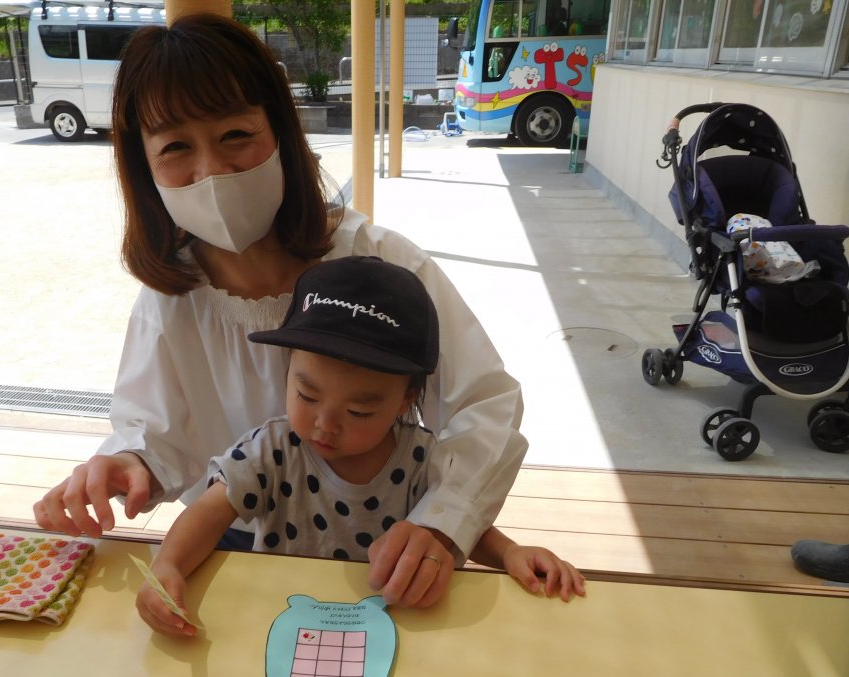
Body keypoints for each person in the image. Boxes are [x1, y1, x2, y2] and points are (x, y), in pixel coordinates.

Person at [32, 13, 529, 609]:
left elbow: (483, 401)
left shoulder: (380, 262)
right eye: (175, 147)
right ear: (144, 167)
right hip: (228, 549)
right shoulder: (170, 299)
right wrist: (126, 462)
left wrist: (444, 520)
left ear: (281, 131)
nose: (212, 172)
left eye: (236, 135)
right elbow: (155, 431)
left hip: (377, 549)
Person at [137, 257, 585, 637]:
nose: (325, 424)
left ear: (407, 399)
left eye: (359, 411)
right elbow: (208, 512)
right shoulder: (270, 450)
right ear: (287, 369)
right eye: (306, 395)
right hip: (282, 619)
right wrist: (168, 565)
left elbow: (458, 524)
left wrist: (509, 553)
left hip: (390, 626)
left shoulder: (420, 458)